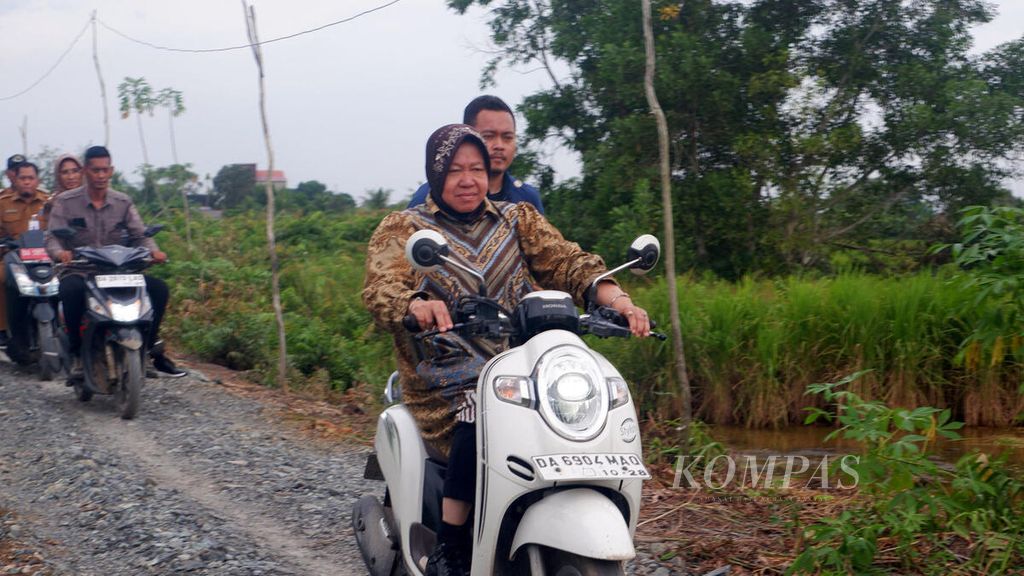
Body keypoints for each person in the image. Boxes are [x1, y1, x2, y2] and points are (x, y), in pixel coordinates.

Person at [363, 124, 649, 576]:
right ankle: (453, 547)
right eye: (454, 169)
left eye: (476, 168)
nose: (467, 179)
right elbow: (382, 286)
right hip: (445, 374)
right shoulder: (406, 227)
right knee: (481, 408)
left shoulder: (517, 218)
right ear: (435, 174)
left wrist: (618, 300)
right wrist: (415, 305)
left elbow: (568, 261)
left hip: (522, 366)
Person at [44, 145, 187, 378]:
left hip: (119, 271)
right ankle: (77, 351)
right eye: (95, 170)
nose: (100, 175)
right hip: (82, 271)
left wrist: (154, 252)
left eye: (104, 170)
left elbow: (140, 235)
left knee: (159, 290)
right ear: (85, 172)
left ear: (111, 171)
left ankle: (149, 346)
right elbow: (52, 238)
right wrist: (61, 254)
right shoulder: (66, 202)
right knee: (70, 290)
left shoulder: (123, 202)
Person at [408, 95, 545, 214]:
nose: (499, 145)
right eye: (489, 136)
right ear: (466, 138)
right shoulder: (428, 198)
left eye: (507, 137)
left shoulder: (527, 199)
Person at [0, 161, 49, 349]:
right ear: (15, 179)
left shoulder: (48, 202)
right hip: (13, 258)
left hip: (45, 258)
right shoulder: (3, 204)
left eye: (31, 178)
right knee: (2, 277)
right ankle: (4, 329)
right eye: (23, 178)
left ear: (38, 180)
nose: (27, 182)